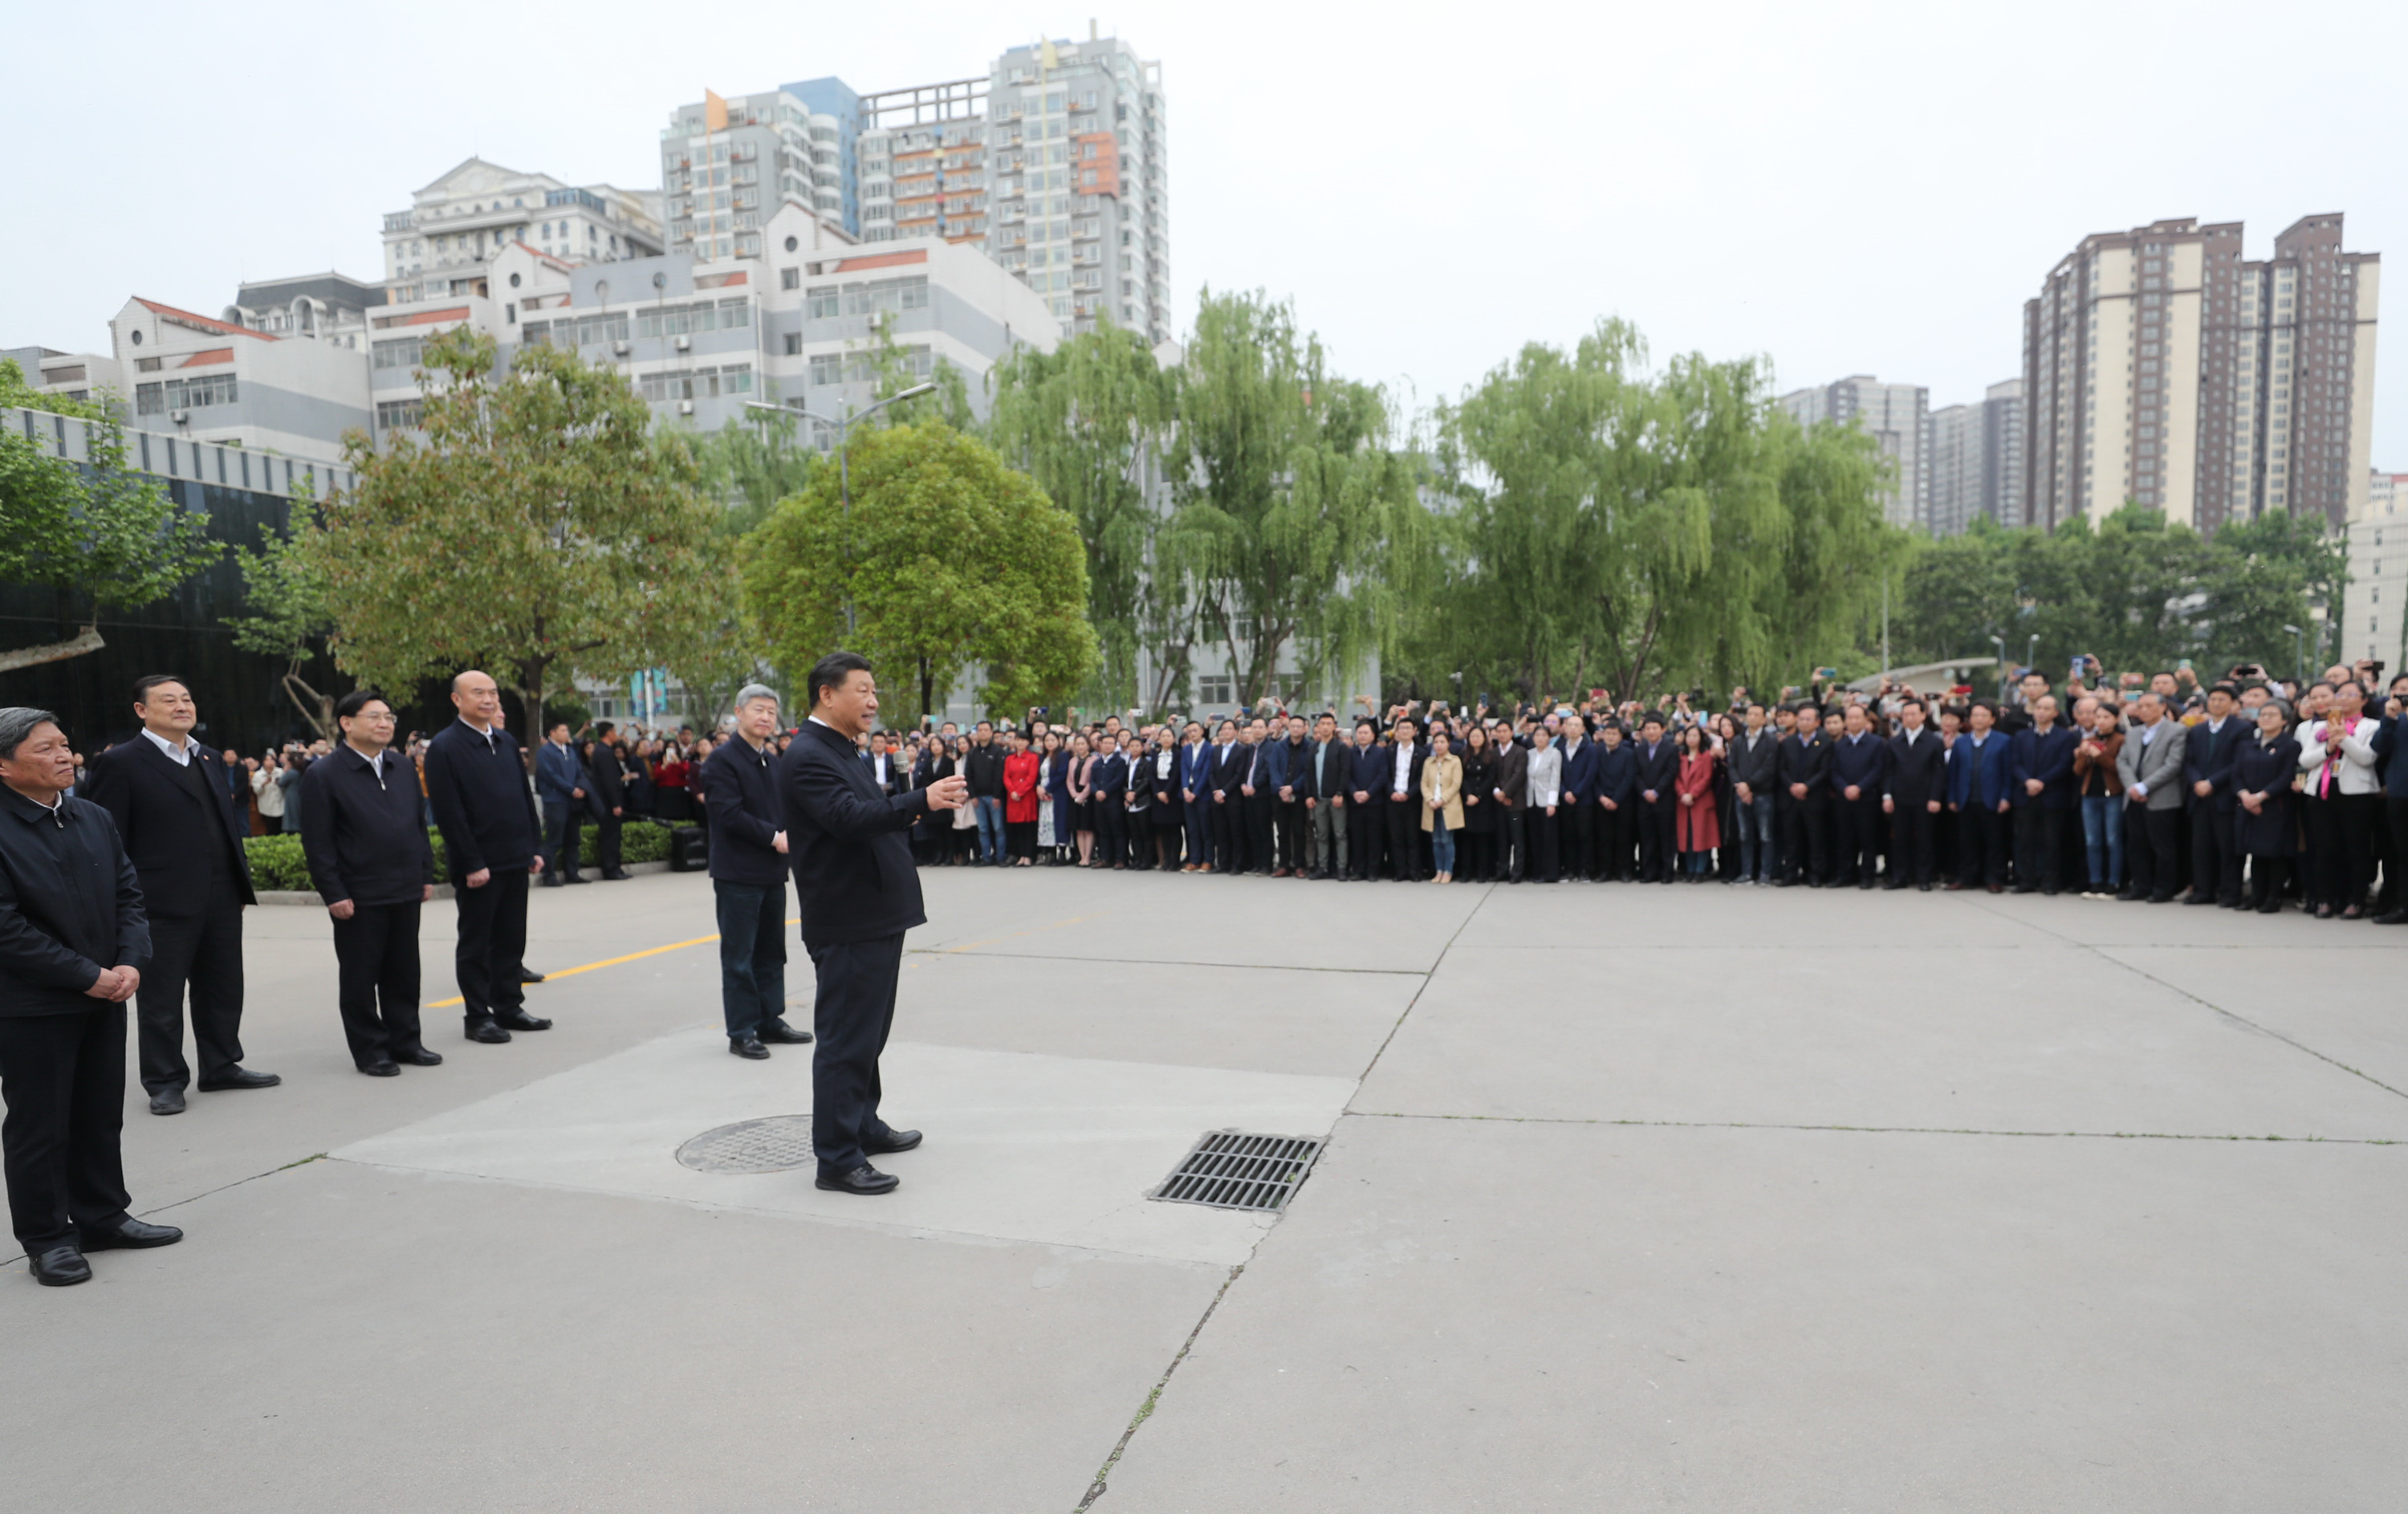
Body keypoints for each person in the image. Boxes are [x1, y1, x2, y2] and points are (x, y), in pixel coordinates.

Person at [0, 708, 183, 1286]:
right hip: (32, 1004)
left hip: (105, 991)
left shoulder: (92, 816)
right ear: (3, 765)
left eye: (64, 744)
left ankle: (103, 1217)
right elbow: (6, 928)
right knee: (40, 1126)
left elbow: (129, 895)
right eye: (45, 749)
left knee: (99, 1115)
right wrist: (86, 974)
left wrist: (129, 961)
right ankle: (48, 1239)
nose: (65, 756)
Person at [779, 652, 969, 1196]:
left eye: (874, 690)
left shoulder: (841, 748)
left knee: (868, 1033)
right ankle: (837, 1157)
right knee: (845, 1039)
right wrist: (920, 800)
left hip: (874, 914)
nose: (873, 701)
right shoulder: (808, 754)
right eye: (862, 690)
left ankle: (863, 1124)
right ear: (827, 694)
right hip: (848, 919)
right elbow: (847, 818)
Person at [80, 675, 276, 1116]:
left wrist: (238, 882)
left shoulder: (208, 756)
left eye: (186, 698)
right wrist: (121, 905)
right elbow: (107, 839)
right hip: (158, 901)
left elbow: (225, 826)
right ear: (141, 710)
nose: (182, 706)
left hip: (221, 896)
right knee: (162, 998)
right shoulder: (120, 763)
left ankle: (221, 1065)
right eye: (168, 700)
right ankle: (165, 1080)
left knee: (223, 988)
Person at [296, 690, 441, 1076]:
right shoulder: (325, 774)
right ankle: (371, 1050)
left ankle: (406, 1041)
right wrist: (334, 892)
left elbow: (418, 825)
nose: (384, 724)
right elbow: (318, 842)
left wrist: (425, 874)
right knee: (361, 977)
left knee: (404, 972)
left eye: (389, 717)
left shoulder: (401, 766)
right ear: (347, 723)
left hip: (404, 887)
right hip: (359, 894)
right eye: (374, 716)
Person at [422, 670, 552, 1044]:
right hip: (479, 865)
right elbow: (449, 813)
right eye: (478, 693)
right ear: (457, 700)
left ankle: (509, 1006)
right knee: (477, 944)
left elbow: (524, 798)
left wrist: (534, 846)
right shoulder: (445, 747)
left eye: (493, 693)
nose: (488, 699)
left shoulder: (505, 741)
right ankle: (478, 1017)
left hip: (514, 857)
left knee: (511, 939)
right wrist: (471, 862)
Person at [703, 686, 814, 1060]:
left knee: (771, 952)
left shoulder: (772, 761)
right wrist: (773, 836)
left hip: (772, 872)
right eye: (758, 710)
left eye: (771, 711)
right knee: (739, 956)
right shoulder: (722, 761)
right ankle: (741, 1030)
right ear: (739, 713)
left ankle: (770, 1019)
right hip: (738, 873)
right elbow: (728, 814)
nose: (766, 717)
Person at [2297, 680, 2380, 919]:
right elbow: (2305, 760)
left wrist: (2343, 738)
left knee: (2357, 849)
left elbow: (2366, 758)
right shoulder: (2321, 727)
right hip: (2322, 793)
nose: (2343, 699)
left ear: (2364, 700)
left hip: (2356, 795)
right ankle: (2325, 899)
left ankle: (2355, 900)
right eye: (2340, 694)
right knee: (2324, 849)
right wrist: (2328, 747)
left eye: (2350, 694)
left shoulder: (2371, 726)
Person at [2116, 692, 2188, 904]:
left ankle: (2163, 888)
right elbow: (2122, 761)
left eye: (2149, 706)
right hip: (2133, 797)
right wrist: (2132, 786)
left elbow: (2173, 764)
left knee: (2163, 846)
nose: (2144, 710)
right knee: (2136, 844)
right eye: (2141, 706)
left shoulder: (2177, 731)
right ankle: (2141, 886)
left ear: (2163, 707)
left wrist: (2145, 786)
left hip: (2161, 797)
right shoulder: (2133, 733)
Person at [2235, 702, 2300, 913]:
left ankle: (2274, 897)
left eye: (2272, 715)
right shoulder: (2247, 744)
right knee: (2255, 852)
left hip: (2275, 805)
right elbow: (2236, 774)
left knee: (2275, 853)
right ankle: (2256, 896)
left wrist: (2261, 797)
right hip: (2248, 804)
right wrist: (2245, 796)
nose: (2266, 718)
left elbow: (2286, 776)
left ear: (2284, 720)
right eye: (2263, 714)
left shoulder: (2290, 745)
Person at [2186, 683, 2247, 909]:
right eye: (2213, 699)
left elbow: (2237, 763)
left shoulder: (2242, 728)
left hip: (2225, 796)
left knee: (2228, 847)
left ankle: (2231, 893)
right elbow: (2189, 761)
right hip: (2199, 796)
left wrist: (2212, 782)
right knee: (2201, 847)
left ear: (2233, 703)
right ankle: (2203, 891)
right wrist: (2197, 782)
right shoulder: (2198, 730)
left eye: (2222, 699)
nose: (2216, 703)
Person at [2009, 694, 2076, 896]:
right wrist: (2027, 781)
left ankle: (2050, 882)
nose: (2041, 712)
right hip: (2025, 794)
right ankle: (2026, 880)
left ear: (2055, 713)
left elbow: (2064, 765)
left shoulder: (2065, 737)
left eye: (2046, 708)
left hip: (2052, 795)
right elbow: (2015, 763)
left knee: (2051, 842)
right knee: (2025, 840)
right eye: (2038, 708)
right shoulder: (2022, 736)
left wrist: (2042, 782)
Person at [1948, 701, 2014, 893]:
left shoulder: (2004, 741)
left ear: (1992, 719)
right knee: (1967, 842)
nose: (1979, 719)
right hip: (1966, 799)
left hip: (1992, 799)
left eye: (1984, 715)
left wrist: (2005, 797)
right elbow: (1953, 773)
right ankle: (1966, 877)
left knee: (1994, 842)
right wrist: (1952, 798)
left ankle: (1994, 878)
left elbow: (2008, 772)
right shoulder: (1960, 742)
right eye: (1975, 715)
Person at [1881, 698, 1946, 891]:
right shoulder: (1895, 742)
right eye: (1906, 715)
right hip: (1900, 799)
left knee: (1925, 840)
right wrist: (1887, 795)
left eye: (1913, 714)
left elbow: (1939, 773)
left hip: (1924, 799)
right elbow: (1888, 771)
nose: (1909, 718)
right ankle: (1899, 877)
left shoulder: (1934, 741)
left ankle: (1924, 878)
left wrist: (1935, 797)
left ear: (1923, 715)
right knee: (1900, 840)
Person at [2072, 702, 2126, 901]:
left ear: (2116, 719)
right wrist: (2083, 755)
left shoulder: (2121, 740)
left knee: (2113, 840)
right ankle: (2095, 882)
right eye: (2098, 717)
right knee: (2092, 841)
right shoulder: (2089, 739)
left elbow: (2119, 768)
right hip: (2090, 795)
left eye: (2106, 717)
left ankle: (2113, 882)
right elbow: (2078, 771)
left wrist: (2100, 756)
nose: (2101, 721)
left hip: (2113, 795)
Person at [1829, 704, 1888, 889]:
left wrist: (1860, 787)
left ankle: (1867, 876)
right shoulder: (1839, 745)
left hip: (1867, 798)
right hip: (1844, 798)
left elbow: (1878, 769)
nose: (1854, 721)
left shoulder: (1876, 743)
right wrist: (1845, 788)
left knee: (1867, 839)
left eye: (1857, 718)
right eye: (1850, 718)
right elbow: (1834, 771)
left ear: (1865, 720)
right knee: (1845, 839)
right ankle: (1846, 874)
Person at [1775, 703, 1830, 887]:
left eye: (1808, 719)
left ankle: (1815, 874)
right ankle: (1790, 874)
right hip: (1790, 798)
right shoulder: (1788, 742)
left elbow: (1824, 770)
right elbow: (1781, 768)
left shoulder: (1825, 742)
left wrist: (1807, 786)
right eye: (1801, 719)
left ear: (1817, 722)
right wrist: (1792, 786)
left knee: (1816, 839)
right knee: (1791, 840)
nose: (1804, 722)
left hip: (1813, 797)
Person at [1727, 704, 1779, 885]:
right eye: (1750, 714)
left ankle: (1765, 873)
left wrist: (1749, 784)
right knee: (1745, 835)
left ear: (1764, 719)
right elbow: (1732, 765)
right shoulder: (1739, 740)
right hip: (1741, 794)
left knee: (1765, 835)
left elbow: (1769, 767)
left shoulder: (1770, 740)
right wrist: (1740, 785)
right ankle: (1747, 873)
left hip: (1763, 794)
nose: (1752, 717)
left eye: (1757, 714)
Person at [535, 722, 591, 887]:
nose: (567, 733)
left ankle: (572, 873)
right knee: (554, 839)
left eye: (567, 730)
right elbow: (550, 775)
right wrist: (571, 789)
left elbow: (579, 771)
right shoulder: (545, 752)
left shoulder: (570, 750)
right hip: (555, 800)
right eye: (563, 730)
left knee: (573, 839)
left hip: (573, 801)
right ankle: (549, 875)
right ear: (552, 733)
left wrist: (580, 787)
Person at [1630, 715, 1678, 884]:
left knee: (1666, 838)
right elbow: (1635, 774)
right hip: (1644, 800)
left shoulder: (1671, 749)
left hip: (1664, 799)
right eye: (1648, 728)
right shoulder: (1639, 749)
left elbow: (1671, 772)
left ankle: (1667, 872)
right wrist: (1644, 792)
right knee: (1647, 838)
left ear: (1663, 730)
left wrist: (1657, 791)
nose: (1651, 732)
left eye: (1655, 728)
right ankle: (1649, 872)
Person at [1673, 722, 1720, 880]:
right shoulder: (1681, 757)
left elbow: (1707, 778)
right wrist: (1682, 793)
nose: (1692, 739)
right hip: (1683, 802)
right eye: (1689, 736)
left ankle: (1700, 871)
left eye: (1695, 736)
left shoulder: (1706, 756)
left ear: (1700, 738)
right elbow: (1677, 778)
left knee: (1702, 837)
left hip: (1701, 801)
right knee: (1687, 838)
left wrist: (1692, 794)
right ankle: (1690, 870)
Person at [588, 724, 632, 881]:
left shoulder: (604, 750)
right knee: (610, 837)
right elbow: (608, 781)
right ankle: (611, 868)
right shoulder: (603, 752)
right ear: (609, 733)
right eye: (614, 731)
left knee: (614, 836)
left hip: (608, 801)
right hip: (608, 802)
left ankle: (615, 867)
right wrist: (615, 803)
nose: (616, 734)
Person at [1421, 726, 1464, 883]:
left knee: (1447, 840)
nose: (1439, 745)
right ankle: (1438, 870)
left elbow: (1456, 784)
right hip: (1431, 806)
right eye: (1436, 742)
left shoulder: (1455, 761)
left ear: (1448, 744)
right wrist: (1430, 799)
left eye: (1442, 742)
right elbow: (1424, 783)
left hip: (1448, 805)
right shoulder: (1429, 762)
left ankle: (1448, 870)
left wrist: (1442, 800)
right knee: (1436, 840)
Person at [1488, 718, 1527, 883]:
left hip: (1516, 803)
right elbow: (1492, 776)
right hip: (1499, 803)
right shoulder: (1493, 753)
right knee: (1502, 839)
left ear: (1512, 732)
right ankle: (1502, 870)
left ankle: (1517, 872)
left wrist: (1506, 793)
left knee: (1517, 839)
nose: (1502, 734)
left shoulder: (1520, 751)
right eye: (1499, 731)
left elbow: (1519, 775)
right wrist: (1498, 792)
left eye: (1505, 731)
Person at [1524, 722, 1564, 883]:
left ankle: (1550, 873)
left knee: (1549, 839)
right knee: (1535, 838)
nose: (1540, 738)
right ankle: (1537, 871)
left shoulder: (1555, 753)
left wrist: (1551, 803)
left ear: (1549, 738)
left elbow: (1555, 778)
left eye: (1543, 735)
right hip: (1531, 799)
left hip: (1547, 800)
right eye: (1537, 735)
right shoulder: (1529, 754)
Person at [964, 721, 1006, 866]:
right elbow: (968, 775)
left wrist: (997, 795)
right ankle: (986, 857)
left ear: (991, 732)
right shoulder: (972, 753)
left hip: (994, 797)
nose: (982, 732)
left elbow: (999, 775)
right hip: (978, 798)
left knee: (998, 828)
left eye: (986, 730)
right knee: (983, 830)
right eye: (980, 730)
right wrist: (972, 795)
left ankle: (1000, 857)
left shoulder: (998, 751)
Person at [1178, 722, 1214, 873]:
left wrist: (1196, 792)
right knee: (1192, 829)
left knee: (1206, 829)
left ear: (1201, 731)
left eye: (1195, 730)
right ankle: (1194, 860)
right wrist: (1185, 789)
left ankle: (1208, 860)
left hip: (1203, 793)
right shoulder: (1186, 749)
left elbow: (1207, 772)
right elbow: (1184, 770)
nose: (1192, 733)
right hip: (1188, 792)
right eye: (1190, 731)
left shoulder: (1210, 749)